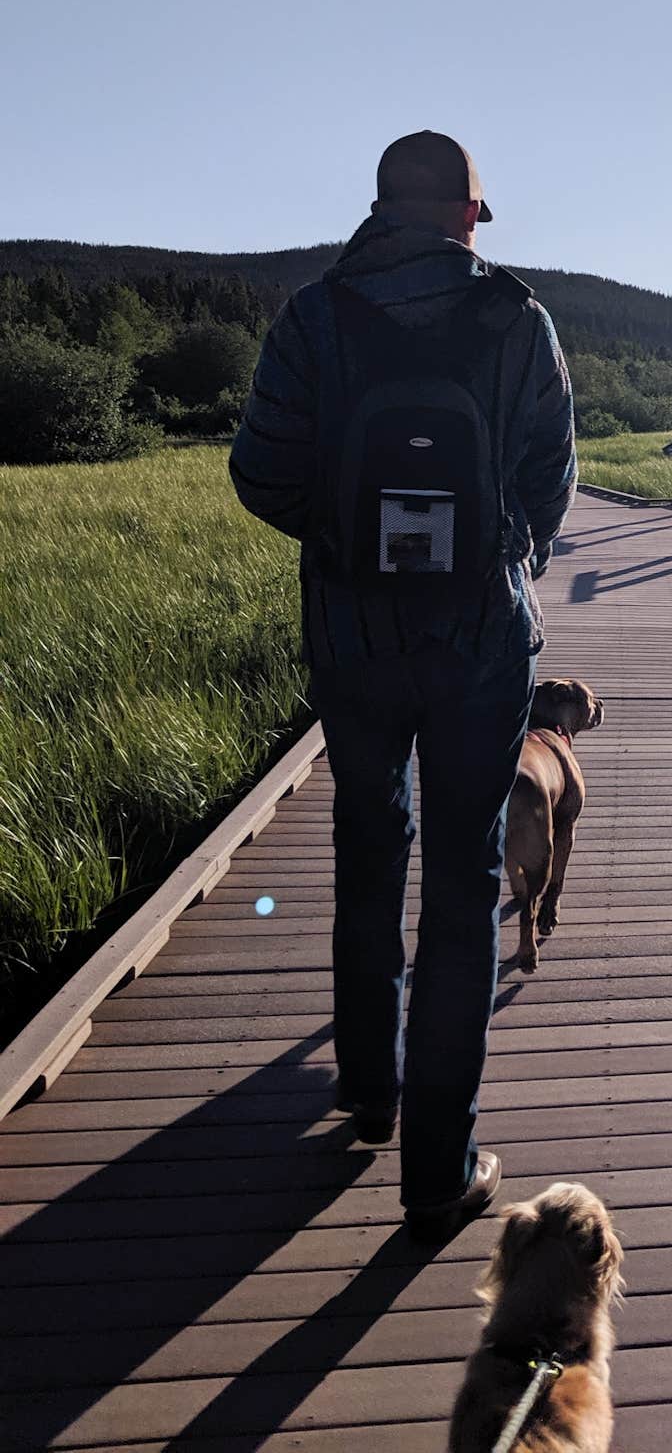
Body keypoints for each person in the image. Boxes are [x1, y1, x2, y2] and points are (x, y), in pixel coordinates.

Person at [230, 131, 575, 1239]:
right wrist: (500, 555)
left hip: (353, 633)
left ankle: (366, 1085)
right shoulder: (519, 322)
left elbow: (260, 471)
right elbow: (549, 479)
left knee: (369, 843)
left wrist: (347, 538)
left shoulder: (313, 317)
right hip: (480, 640)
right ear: (468, 215)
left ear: (379, 207)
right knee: (465, 880)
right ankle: (438, 1162)